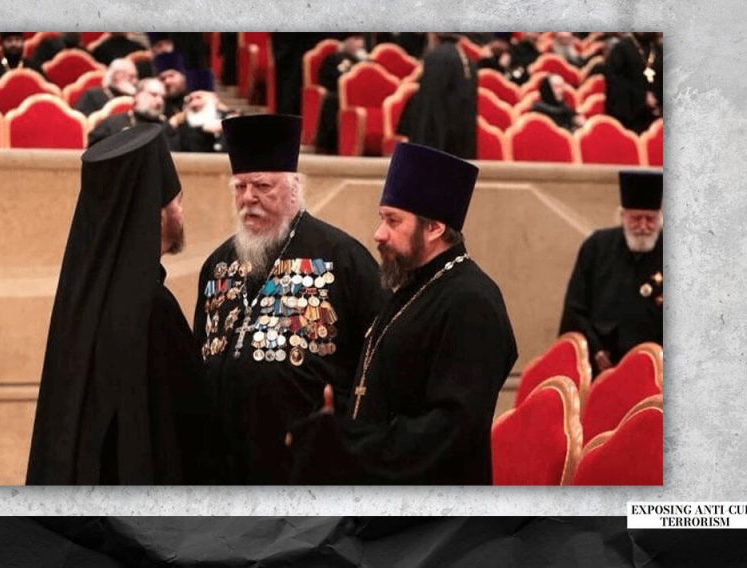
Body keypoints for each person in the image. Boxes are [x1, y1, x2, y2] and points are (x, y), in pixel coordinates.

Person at [287, 142, 518, 485]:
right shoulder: (412, 286)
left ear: (435, 228)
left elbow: (451, 428)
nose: (378, 234)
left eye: (393, 221)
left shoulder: (472, 302)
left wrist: (348, 445)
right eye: (382, 218)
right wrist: (338, 415)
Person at [192, 114, 385, 484]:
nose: (248, 198)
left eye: (263, 186)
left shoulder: (342, 257)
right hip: (223, 465)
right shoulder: (216, 265)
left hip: (306, 461)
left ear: (294, 188)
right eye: (240, 187)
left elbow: (376, 362)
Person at [27, 124, 212, 485]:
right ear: (155, 211)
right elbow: (196, 432)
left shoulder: (80, 303)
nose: (181, 212)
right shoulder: (154, 311)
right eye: (178, 201)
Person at [559, 170, 663, 373]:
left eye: (650, 219)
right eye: (635, 218)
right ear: (622, 216)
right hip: (599, 363)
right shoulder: (597, 246)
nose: (643, 226)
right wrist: (595, 350)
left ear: (660, 218)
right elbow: (575, 308)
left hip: (657, 369)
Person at [397, 33, 478, 159]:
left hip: (438, 147)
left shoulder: (436, 58)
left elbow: (431, 109)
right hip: (460, 147)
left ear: (434, 35)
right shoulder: (467, 60)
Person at [314, 33, 367, 154]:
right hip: (338, 94)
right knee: (333, 101)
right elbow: (326, 79)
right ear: (346, 41)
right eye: (356, 39)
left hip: (360, 98)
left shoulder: (365, 61)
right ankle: (329, 146)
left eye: (361, 40)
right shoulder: (333, 58)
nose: (360, 44)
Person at [87, 78, 171, 147]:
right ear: (137, 96)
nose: (160, 101)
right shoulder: (113, 123)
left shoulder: (167, 128)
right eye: (154, 95)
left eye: (163, 97)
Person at [605, 32, 662, 133]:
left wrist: (659, 101)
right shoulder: (621, 48)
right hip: (630, 116)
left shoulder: (658, 48)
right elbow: (615, 82)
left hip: (657, 114)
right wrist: (642, 97)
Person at [73, 58, 138, 116]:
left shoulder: (133, 96)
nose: (135, 81)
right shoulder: (92, 95)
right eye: (131, 77)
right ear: (118, 76)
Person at [154, 52, 190, 116]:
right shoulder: (158, 106)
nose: (167, 81)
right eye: (162, 79)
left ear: (183, 76)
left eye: (171, 76)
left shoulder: (194, 97)